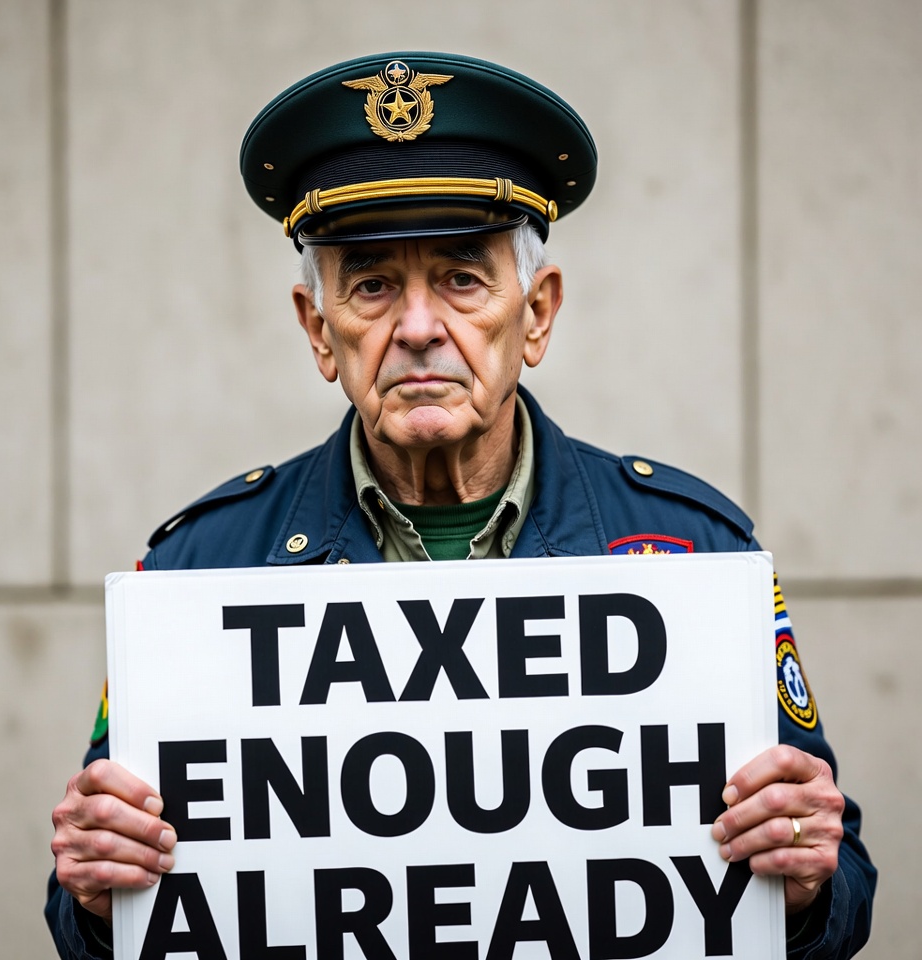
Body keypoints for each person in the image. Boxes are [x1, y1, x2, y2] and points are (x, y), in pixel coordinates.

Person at [46, 52, 875, 959]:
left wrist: (805, 884)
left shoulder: (696, 555)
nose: (416, 328)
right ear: (319, 329)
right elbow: (95, 910)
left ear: (538, 314)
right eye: (371, 285)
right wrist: (95, 897)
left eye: (462, 278)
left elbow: (838, 886)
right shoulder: (195, 576)